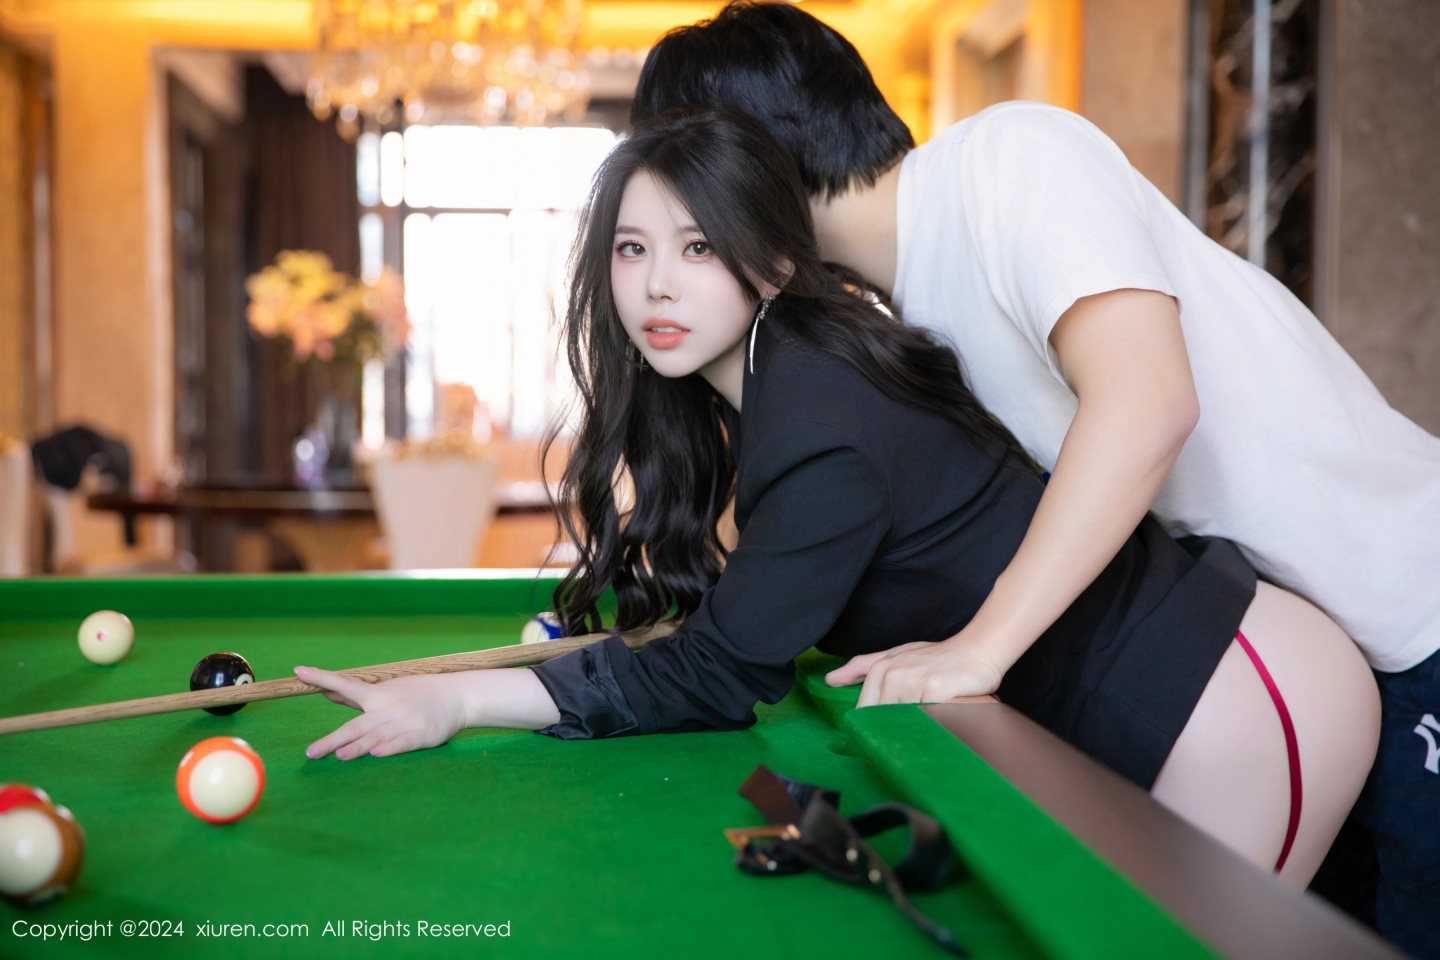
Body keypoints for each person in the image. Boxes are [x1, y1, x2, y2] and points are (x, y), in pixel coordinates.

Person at [298, 110, 1378, 888]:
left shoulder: (816, 409)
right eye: (632, 249)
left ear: (773, 259)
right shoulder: (779, 377)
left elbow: (723, 669)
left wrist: (458, 702)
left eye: (698, 246)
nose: (658, 282)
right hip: (1204, 689)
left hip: (1240, 702)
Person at [629, 2, 1440, 948]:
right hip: (1295, 656)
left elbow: (1147, 404)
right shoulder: (884, 307)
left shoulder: (1011, 157)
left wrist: (982, 647)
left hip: (1409, 615)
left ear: (744, 158)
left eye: (681, 174)